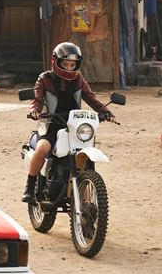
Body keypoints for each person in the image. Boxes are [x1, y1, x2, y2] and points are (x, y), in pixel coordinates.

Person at [23, 42, 113, 202]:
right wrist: (35, 110)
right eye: (65, 64)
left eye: (73, 65)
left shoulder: (79, 79)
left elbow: (90, 97)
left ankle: (85, 201)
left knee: (84, 153)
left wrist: (105, 111)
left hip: (74, 125)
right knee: (43, 149)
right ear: (56, 62)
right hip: (51, 122)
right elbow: (36, 97)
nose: (69, 68)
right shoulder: (45, 78)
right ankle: (29, 187)